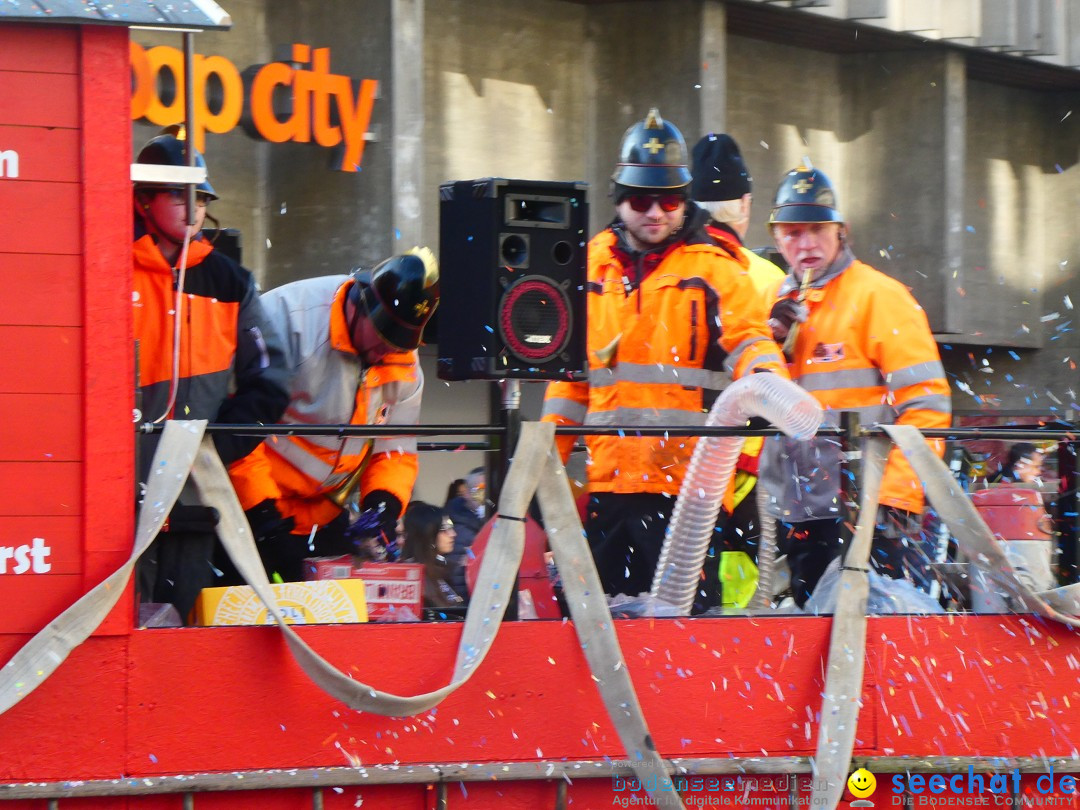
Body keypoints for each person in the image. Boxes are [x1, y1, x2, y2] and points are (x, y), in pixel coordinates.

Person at [541, 108, 789, 599]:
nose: (655, 212)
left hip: (686, 492)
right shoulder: (590, 265)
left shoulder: (716, 268)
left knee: (685, 638)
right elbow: (569, 382)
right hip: (610, 487)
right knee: (600, 630)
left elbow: (749, 338)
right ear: (619, 198)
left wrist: (765, 380)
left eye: (669, 200)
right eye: (640, 199)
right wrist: (540, 474)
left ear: (684, 200)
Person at [758, 162, 952, 607]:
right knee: (813, 645)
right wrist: (773, 343)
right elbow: (752, 405)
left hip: (866, 512)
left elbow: (927, 403)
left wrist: (893, 496)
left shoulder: (878, 297)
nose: (805, 243)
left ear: (840, 231)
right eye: (792, 233)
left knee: (872, 641)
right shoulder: (774, 306)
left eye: (817, 230)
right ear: (776, 238)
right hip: (802, 510)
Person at [132, 126, 291, 622]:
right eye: (178, 194)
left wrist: (216, 451)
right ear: (142, 202)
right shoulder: (101, 269)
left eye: (201, 196)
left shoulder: (231, 281)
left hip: (194, 499)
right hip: (114, 496)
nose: (194, 206)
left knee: (179, 633)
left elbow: (270, 380)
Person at [227, 248, 440, 582]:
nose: (388, 351)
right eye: (383, 337)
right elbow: (235, 430)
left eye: (399, 344)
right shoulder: (286, 319)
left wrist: (382, 507)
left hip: (325, 516)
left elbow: (396, 451)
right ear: (360, 303)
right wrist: (264, 516)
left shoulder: (403, 360)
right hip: (251, 509)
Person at [690, 132, 787, 610]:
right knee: (749, 591)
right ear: (745, 204)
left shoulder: (670, 269)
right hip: (753, 464)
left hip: (682, 465)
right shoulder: (768, 278)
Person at [400, 501, 466, 613]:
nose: (453, 534)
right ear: (428, 533)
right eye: (445, 529)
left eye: (452, 527)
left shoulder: (441, 569)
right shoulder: (413, 577)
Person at [445, 466, 486, 596]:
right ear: (467, 493)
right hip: (468, 604)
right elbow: (456, 575)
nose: (484, 496)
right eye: (480, 490)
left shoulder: (491, 520)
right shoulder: (456, 527)